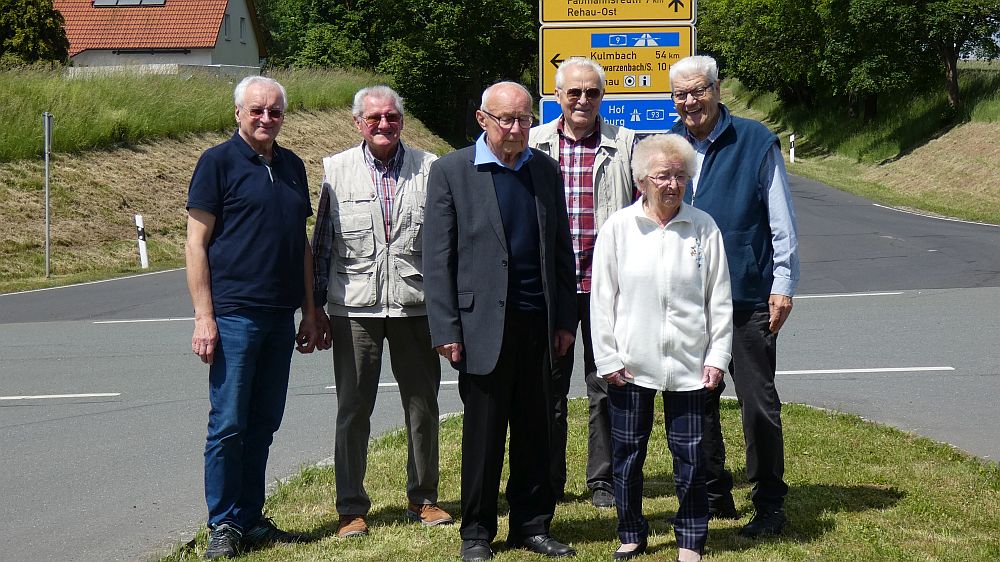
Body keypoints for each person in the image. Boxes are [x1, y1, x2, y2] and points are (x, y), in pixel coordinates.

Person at [423, 82, 578, 562]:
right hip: (480, 329)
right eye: (506, 120)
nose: (516, 129)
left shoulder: (545, 170)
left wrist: (566, 319)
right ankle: (477, 532)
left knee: (537, 431)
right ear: (482, 119)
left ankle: (532, 524)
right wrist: (446, 329)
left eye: (525, 119)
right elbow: (438, 256)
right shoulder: (451, 171)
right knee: (484, 437)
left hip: (538, 323)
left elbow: (560, 250)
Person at [185, 75, 324, 560]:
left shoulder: (292, 166)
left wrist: (310, 310)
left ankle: (250, 519)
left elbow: (301, 246)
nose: (266, 119)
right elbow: (196, 244)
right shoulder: (217, 163)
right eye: (257, 111)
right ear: (238, 113)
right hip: (234, 316)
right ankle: (222, 524)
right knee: (227, 425)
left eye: (275, 111)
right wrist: (205, 317)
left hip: (279, 317)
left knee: (263, 423)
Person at [310, 85, 452, 539]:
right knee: (352, 409)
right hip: (354, 308)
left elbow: (444, 246)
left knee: (423, 406)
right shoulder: (335, 169)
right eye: (374, 119)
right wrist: (315, 308)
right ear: (358, 123)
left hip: (416, 307)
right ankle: (350, 508)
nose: (384, 125)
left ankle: (424, 499)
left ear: (402, 120)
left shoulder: (430, 168)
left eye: (391, 117)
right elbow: (322, 247)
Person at [669, 54, 800, 537]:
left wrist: (782, 284)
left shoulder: (755, 140)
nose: (690, 101)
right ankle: (713, 491)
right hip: (688, 296)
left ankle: (769, 501)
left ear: (717, 89)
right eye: (681, 94)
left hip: (747, 293)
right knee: (696, 399)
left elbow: (781, 220)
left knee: (757, 400)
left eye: (698, 90)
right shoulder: (667, 145)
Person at [590, 134, 733, 562]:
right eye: (662, 176)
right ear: (641, 180)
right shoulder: (619, 228)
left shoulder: (703, 226)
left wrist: (717, 356)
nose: (672, 184)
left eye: (679, 176)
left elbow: (719, 299)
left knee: (690, 457)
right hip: (632, 364)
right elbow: (602, 299)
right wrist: (608, 358)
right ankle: (631, 532)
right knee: (628, 455)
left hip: (691, 364)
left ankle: (690, 537)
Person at [528, 57, 635, 509]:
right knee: (547, 387)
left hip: (607, 286)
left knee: (606, 384)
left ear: (602, 97)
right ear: (557, 97)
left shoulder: (626, 144)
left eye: (592, 92)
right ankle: (548, 479)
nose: (583, 100)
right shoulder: (532, 143)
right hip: (550, 288)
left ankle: (603, 479)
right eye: (574, 92)